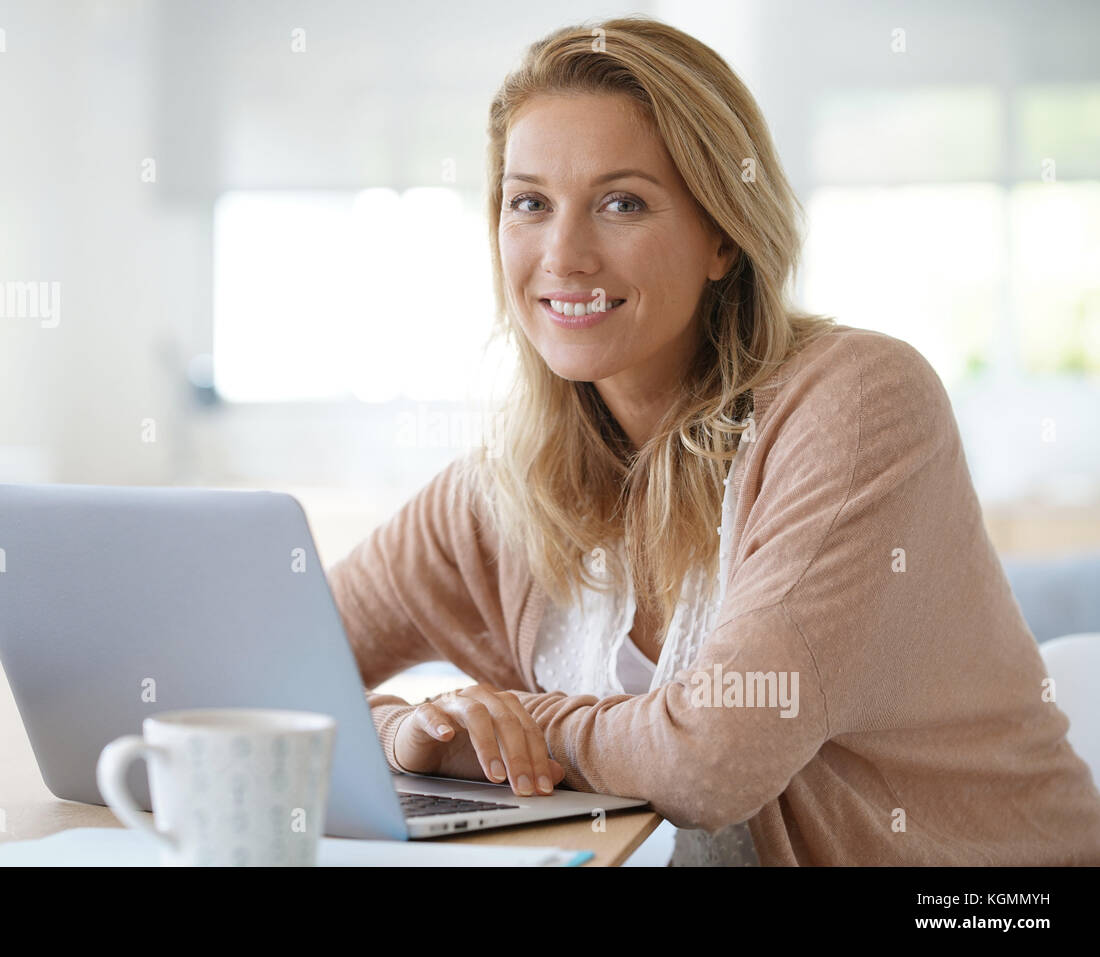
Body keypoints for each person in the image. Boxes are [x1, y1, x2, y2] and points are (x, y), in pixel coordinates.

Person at [324, 15, 1100, 865]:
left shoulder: (862, 404)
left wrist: (516, 726)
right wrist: (413, 729)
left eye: (622, 202)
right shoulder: (499, 494)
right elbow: (255, 687)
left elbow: (712, 758)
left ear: (722, 234)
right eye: (530, 203)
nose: (564, 254)